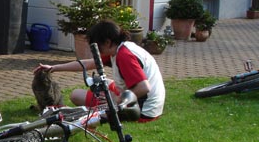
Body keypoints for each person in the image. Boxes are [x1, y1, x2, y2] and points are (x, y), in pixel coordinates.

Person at [33, 20, 165, 121]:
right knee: (99, 86)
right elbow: (89, 63)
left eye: (96, 46)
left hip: (142, 112)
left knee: (76, 95)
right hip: (149, 106)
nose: (94, 50)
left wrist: (116, 100)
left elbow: (144, 87)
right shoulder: (121, 48)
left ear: (107, 42)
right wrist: (54, 68)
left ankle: (81, 112)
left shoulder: (124, 56)